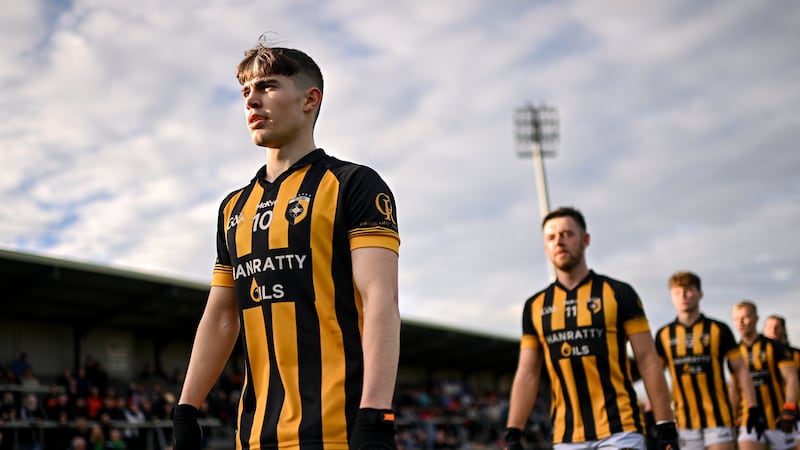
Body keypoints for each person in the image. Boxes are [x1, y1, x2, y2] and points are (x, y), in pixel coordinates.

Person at [171, 35, 401, 450]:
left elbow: (379, 299)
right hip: (255, 435)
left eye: (268, 86)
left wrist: (377, 415)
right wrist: (186, 409)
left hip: (339, 430)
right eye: (246, 91)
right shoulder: (233, 208)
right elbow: (222, 315)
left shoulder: (353, 184)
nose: (252, 101)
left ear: (310, 99)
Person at [504, 206, 679, 450]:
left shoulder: (619, 293)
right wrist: (514, 431)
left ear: (585, 239)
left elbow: (647, 359)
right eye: (551, 238)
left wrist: (665, 425)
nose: (559, 242)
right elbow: (527, 372)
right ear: (545, 247)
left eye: (567, 234)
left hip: (620, 429)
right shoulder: (534, 306)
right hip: (566, 437)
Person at [654, 271, 766, 450]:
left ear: (700, 293)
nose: (683, 296)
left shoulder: (719, 329)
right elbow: (656, 377)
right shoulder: (663, 334)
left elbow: (741, 370)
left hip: (718, 418)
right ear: (671, 296)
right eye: (677, 292)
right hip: (683, 422)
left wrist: (753, 407)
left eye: (688, 290)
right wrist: (656, 413)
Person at [730, 301, 799, 450]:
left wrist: (789, 408)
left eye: (746, 317)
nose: (741, 322)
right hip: (749, 419)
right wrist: (732, 416)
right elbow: (735, 387)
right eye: (736, 319)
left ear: (756, 318)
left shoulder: (775, 347)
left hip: (779, 417)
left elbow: (792, 378)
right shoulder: (734, 352)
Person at [763, 315, 800, 450]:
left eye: (776, 327)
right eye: (768, 327)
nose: (772, 330)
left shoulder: (796, 354)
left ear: (784, 329)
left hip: (796, 415)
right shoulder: (758, 356)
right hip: (768, 416)